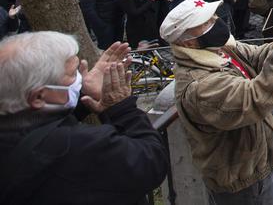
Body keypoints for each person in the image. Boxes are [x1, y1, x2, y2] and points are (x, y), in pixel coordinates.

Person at [162, 0, 273, 204]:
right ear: (188, 42)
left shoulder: (220, 49)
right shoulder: (201, 86)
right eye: (206, 22)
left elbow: (256, 56)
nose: (217, 22)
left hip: (254, 165)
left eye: (213, 17)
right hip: (240, 182)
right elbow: (255, 99)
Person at [0, 33, 168, 204]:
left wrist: (82, 98)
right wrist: (121, 107)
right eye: (73, 74)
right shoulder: (78, 145)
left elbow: (38, 128)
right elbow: (149, 162)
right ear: (39, 97)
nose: (80, 79)